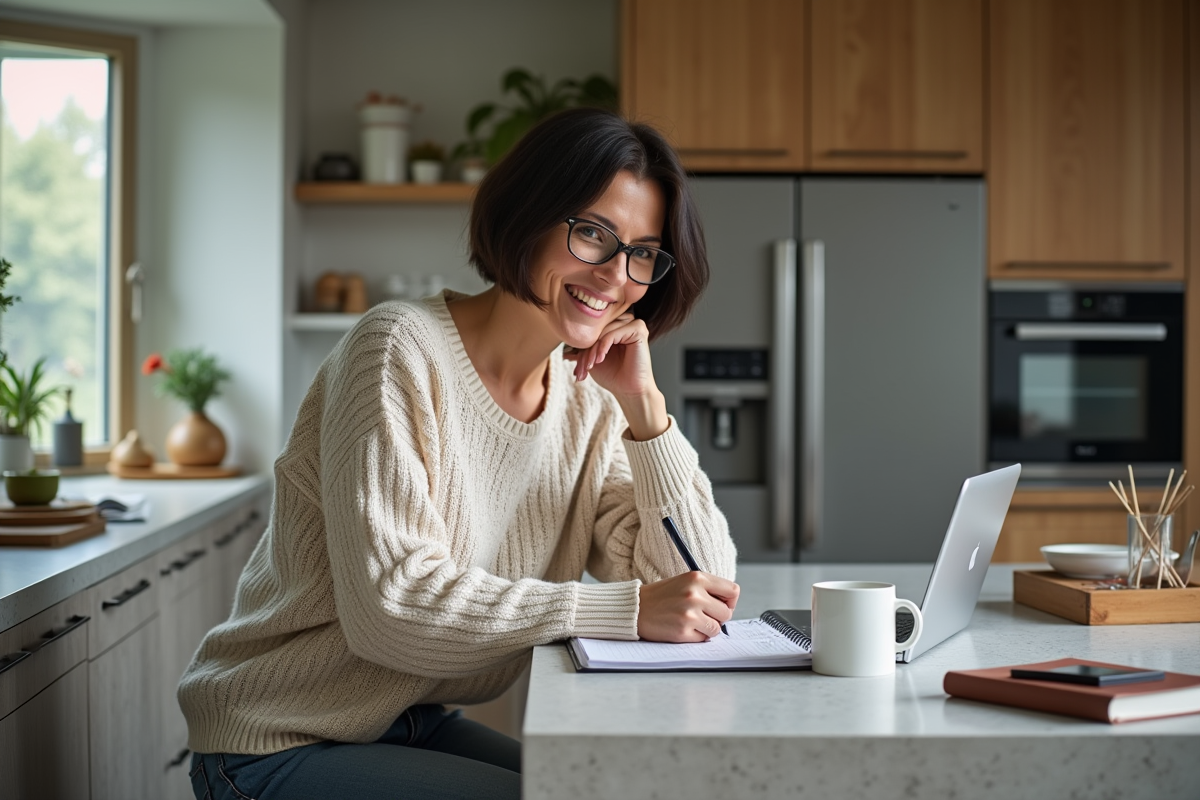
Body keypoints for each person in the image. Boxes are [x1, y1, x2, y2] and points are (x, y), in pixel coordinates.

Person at [179, 106, 739, 800]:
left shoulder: (592, 402)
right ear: (529, 214)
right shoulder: (397, 350)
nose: (614, 274)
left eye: (642, 253)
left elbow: (702, 588)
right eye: (593, 233)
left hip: (405, 721)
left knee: (603, 788)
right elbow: (392, 608)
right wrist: (617, 611)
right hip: (275, 736)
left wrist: (648, 418)